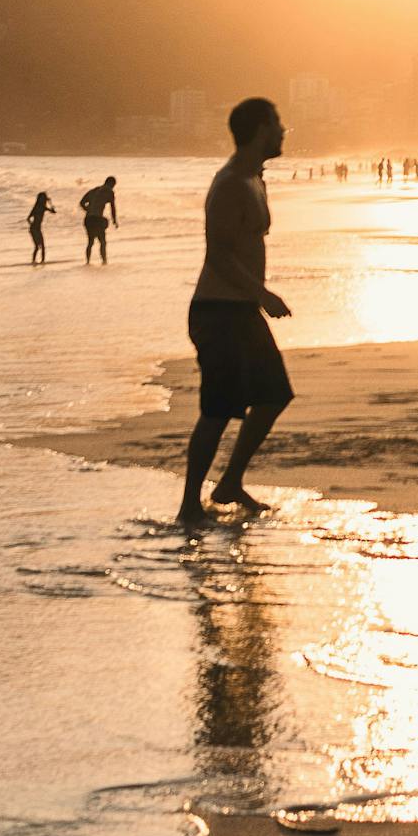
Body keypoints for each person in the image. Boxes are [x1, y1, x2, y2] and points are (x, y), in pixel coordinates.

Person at [179, 98, 294, 523]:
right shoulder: (229, 183)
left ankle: (229, 483)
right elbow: (219, 254)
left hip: (241, 308)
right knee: (218, 408)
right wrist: (263, 295)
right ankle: (189, 504)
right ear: (262, 128)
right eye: (279, 125)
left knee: (274, 394)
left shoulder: (253, 179)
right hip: (218, 310)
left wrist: (256, 298)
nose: (284, 132)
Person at [79, 175, 118, 264]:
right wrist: (114, 220)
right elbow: (112, 207)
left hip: (88, 219)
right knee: (102, 242)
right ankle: (104, 261)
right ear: (111, 184)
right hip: (97, 219)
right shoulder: (109, 191)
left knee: (90, 242)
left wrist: (88, 210)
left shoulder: (94, 190)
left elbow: (82, 202)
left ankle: (88, 262)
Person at [26, 191, 52, 264]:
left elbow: (53, 211)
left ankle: (42, 261)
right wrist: (32, 225)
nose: (43, 200)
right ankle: (34, 261)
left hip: (37, 228)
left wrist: (50, 203)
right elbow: (28, 218)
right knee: (38, 246)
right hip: (34, 229)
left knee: (42, 246)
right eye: (43, 198)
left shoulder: (43, 207)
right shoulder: (36, 207)